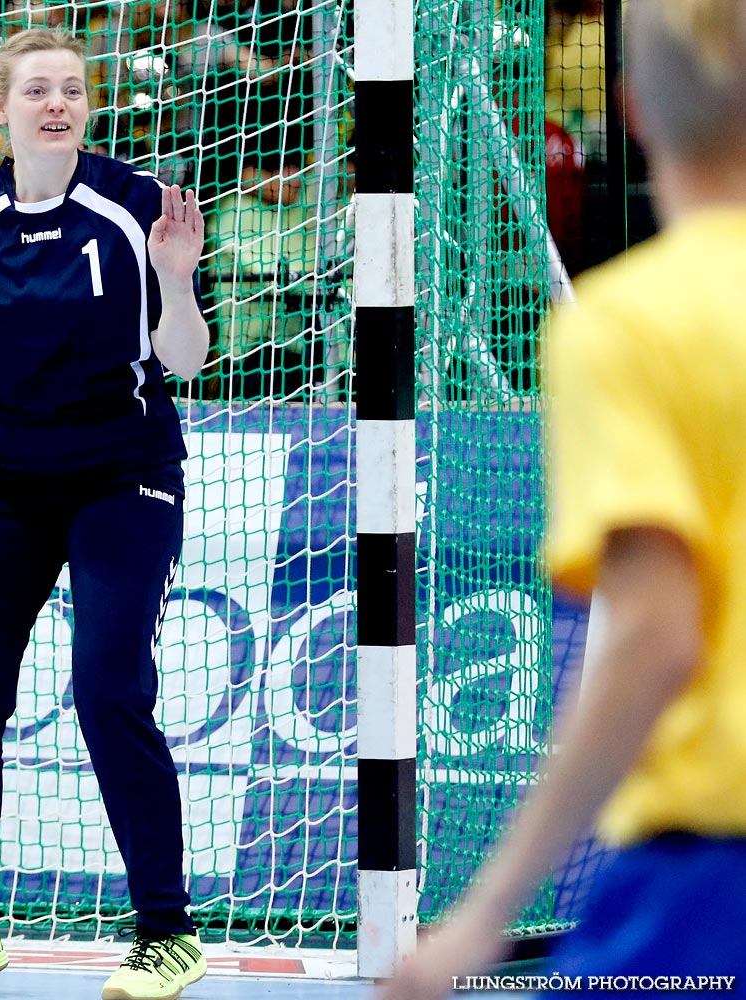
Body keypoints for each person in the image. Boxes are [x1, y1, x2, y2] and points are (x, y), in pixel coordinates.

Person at [384, 2, 746, 997]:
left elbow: (654, 637)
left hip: (713, 865)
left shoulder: (630, 329)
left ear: (629, 112)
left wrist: (485, 910)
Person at [0, 26, 209, 1000]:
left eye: (71, 88)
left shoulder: (135, 206)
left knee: (108, 688)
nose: (57, 103)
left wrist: (178, 278)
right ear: (2, 110)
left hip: (124, 469)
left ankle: (168, 933)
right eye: (36, 90)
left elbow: (188, 360)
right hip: (0, 473)